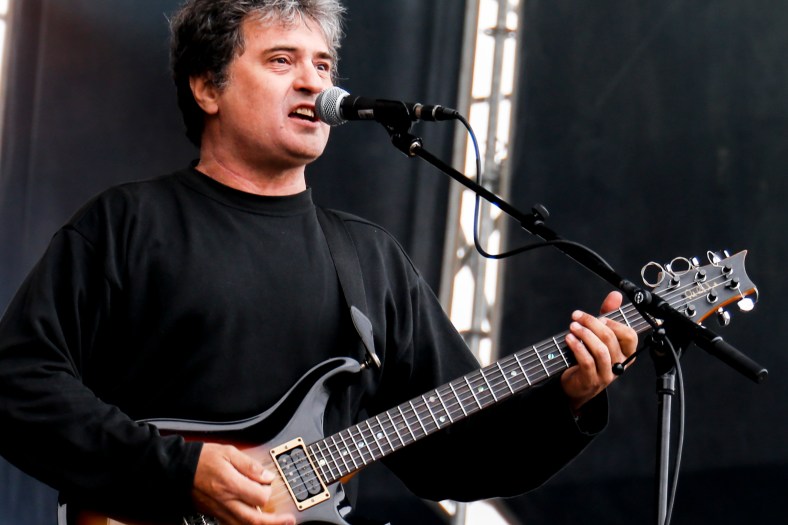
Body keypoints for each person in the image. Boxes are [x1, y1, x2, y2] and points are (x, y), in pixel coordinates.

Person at [0, 1, 637, 524]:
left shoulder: (370, 260)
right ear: (207, 87)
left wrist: (568, 400)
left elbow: (457, 459)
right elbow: (18, 383)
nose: (315, 83)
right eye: (282, 60)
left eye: (323, 63)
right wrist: (179, 470)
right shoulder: (129, 224)